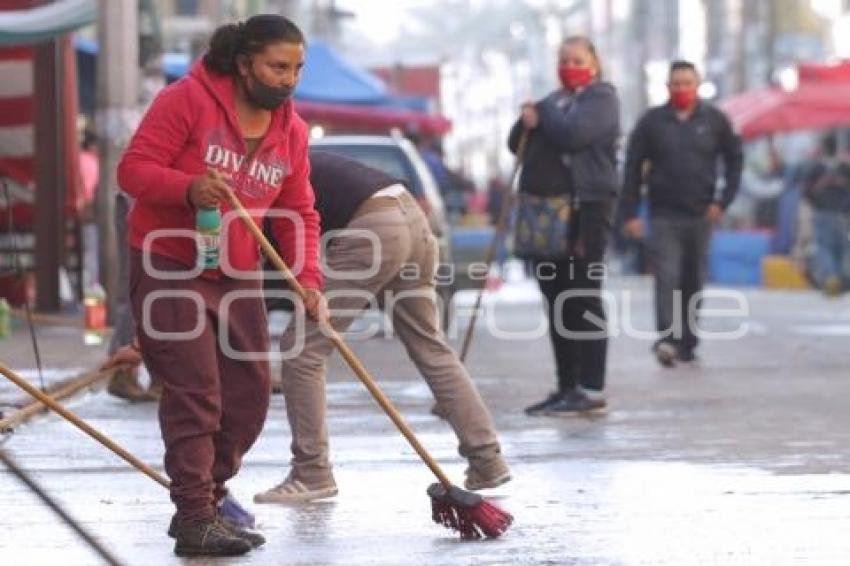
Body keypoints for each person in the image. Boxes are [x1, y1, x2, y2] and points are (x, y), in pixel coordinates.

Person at [116, 15, 325, 557]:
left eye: (297, 69)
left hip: (236, 272)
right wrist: (187, 187)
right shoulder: (185, 99)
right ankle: (195, 517)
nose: (289, 80)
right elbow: (133, 171)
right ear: (244, 63)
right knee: (196, 393)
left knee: (248, 397)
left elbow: (298, 210)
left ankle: (210, 499)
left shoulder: (292, 132)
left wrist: (307, 279)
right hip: (167, 262)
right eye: (278, 67)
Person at [253, 152, 511, 504]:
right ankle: (488, 459)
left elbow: (263, 263)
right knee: (430, 346)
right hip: (413, 219)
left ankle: (312, 472)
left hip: (373, 227)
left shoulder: (257, 182)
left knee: (302, 349)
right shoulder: (283, 161)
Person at [508, 36, 620, 417]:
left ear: (594, 62)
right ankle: (567, 385)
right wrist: (528, 116)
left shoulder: (601, 99)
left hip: (585, 213)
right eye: (564, 59)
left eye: (577, 59)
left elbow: (574, 134)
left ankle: (591, 388)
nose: (569, 65)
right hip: (545, 218)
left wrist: (542, 110)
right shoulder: (554, 102)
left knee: (581, 297)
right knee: (556, 301)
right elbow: (516, 142)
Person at [621, 60, 743, 367]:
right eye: (676, 84)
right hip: (662, 214)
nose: (681, 89)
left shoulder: (715, 121)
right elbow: (632, 168)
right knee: (667, 276)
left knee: (693, 278)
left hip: (701, 214)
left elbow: (734, 161)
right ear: (667, 87)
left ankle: (688, 340)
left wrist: (722, 202)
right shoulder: (651, 122)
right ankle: (668, 339)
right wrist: (631, 212)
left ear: (697, 85)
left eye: (687, 83)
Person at [801, 132, 850, 296]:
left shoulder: (816, 167)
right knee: (840, 248)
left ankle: (830, 277)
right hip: (841, 214)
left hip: (821, 212)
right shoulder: (844, 167)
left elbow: (805, 190)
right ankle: (841, 279)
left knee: (824, 247)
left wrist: (815, 203)